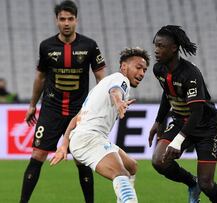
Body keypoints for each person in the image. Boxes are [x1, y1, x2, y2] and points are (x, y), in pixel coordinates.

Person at [20, 1, 106, 203]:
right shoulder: (46, 46)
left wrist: (99, 105)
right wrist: (33, 105)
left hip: (79, 112)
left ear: (76, 20)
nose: (66, 23)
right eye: (62, 19)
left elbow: (102, 79)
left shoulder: (89, 46)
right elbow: (40, 78)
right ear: (56, 21)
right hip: (51, 110)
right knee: (37, 156)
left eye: (70, 19)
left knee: (81, 160)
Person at [50, 47, 150, 203]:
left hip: (86, 137)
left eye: (144, 70)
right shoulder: (120, 79)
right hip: (89, 138)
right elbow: (115, 91)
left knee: (131, 167)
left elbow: (76, 118)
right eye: (138, 67)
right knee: (121, 174)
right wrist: (119, 103)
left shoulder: (101, 86)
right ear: (124, 66)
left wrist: (64, 145)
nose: (142, 73)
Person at [149, 25, 217, 203]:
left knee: (207, 184)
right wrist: (158, 121)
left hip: (206, 127)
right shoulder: (159, 69)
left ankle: (200, 184)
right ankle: (192, 183)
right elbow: (167, 93)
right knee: (158, 161)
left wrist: (178, 141)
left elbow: (197, 112)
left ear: (174, 48)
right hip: (180, 121)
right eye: (155, 45)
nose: (156, 50)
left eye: (161, 46)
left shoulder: (190, 74)